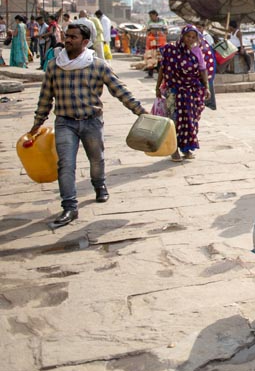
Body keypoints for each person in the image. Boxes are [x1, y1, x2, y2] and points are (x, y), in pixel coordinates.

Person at [29, 23, 147, 228]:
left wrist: (141, 112)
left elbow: (120, 90)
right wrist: (37, 123)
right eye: (67, 36)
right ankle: (69, 206)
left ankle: (99, 184)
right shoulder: (54, 65)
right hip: (65, 123)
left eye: (73, 37)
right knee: (65, 164)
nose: (67, 40)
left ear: (85, 42)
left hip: (92, 121)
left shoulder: (98, 65)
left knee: (96, 159)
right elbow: (45, 97)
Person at [157, 25, 210, 161]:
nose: (190, 39)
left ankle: (186, 149)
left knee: (190, 121)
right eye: (188, 36)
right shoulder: (171, 50)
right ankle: (173, 150)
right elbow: (163, 69)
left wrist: (207, 87)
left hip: (192, 91)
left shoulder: (197, 51)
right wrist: (157, 87)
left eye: (193, 37)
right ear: (182, 36)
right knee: (174, 121)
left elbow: (203, 70)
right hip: (174, 91)